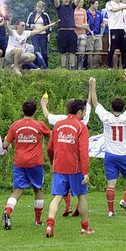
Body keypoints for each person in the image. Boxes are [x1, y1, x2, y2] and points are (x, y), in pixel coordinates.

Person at [90, 71, 126, 216]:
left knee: (111, 183)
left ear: (111, 107)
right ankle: (125, 199)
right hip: (124, 154)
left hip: (110, 155)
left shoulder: (107, 117)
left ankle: (111, 211)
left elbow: (95, 103)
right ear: (123, 107)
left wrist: (92, 86)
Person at [45, 99, 94, 237]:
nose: (85, 113)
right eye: (84, 111)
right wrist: (85, 171)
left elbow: (50, 147)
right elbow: (83, 151)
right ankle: (85, 228)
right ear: (79, 111)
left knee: (57, 197)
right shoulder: (81, 127)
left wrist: (52, 162)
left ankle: (50, 225)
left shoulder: (58, 125)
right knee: (82, 196)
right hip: (75, 168)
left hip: (59, 166)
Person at [2, 100, 51, 230]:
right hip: (35, 162)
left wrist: (9, 146)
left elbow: (5, 145)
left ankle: (7, 212)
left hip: (19, 162)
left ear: (23, 110)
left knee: (17, 190)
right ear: (35, 111)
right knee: (38, 189)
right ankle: (38, 220)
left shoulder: (16, 125)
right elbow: (50, 136)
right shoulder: (39, 125)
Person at [53, 0, 83, 69]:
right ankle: (63, 68)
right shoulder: (59, 7)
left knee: (72, 51)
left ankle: (72, 67)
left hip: (71, 31)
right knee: (62, 51)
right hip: (62, 31)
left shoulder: (72, 6)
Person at [26, 1, 52, 67]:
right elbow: (27, 24)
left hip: (43, 34)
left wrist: (49, 33)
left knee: (44, 52)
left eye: (40, 7)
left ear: (43, 8)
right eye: (37, 7)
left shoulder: (45, 15)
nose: (38, 9)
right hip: (35, 34)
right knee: (36, 50)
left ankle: (45, 66)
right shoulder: (32, 14)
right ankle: (36, 66)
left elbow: (49, 25)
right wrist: (30, 25)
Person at [86, 0, 104, 69]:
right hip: (89, 34)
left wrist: (103, 24)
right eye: (96, 4)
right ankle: (90, 66)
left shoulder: (99, 13)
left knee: (98, 50)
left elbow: (101, 22)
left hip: (98, 33)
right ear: (91, 4)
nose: (97, 5)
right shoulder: (87, 13)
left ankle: (94, 65)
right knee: (90, 50)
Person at [74, 0, 91, 69]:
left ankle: (80, 67)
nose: (82, 4)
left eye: (83, 2)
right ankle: (73, 67)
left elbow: (85, 21)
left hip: (83, 33)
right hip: (75, 33)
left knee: (82, 52)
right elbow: (72, 23)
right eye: (81, 2)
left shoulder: (84, 11)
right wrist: (81, 26)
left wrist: (86, 26)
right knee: (74, 51)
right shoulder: (73, 11)